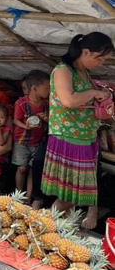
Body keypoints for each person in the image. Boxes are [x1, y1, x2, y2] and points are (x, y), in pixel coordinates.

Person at [42, 32, 114, 230]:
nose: (101, 63)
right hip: (69, 138)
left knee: (72, 194)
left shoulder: (84, 73)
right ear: (86, 52)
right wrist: (94, 92)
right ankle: (44, 226)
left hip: (85, 138)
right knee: (73, 194)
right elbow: (68, 100)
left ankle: (52, 229)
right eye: (100, 58)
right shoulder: (63, 70)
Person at [12, 70, 50, 206]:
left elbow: (50, 120)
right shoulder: (21, 103)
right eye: (46, 88)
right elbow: (16, 120)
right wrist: (26, 126)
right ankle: (18, 194)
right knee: (22, 168)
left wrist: (47, 118)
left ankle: (28, 198)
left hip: (38, 141)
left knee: (33, 169)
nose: (49, 90)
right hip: (22, 141)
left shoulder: (46, 104)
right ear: (34, 88)